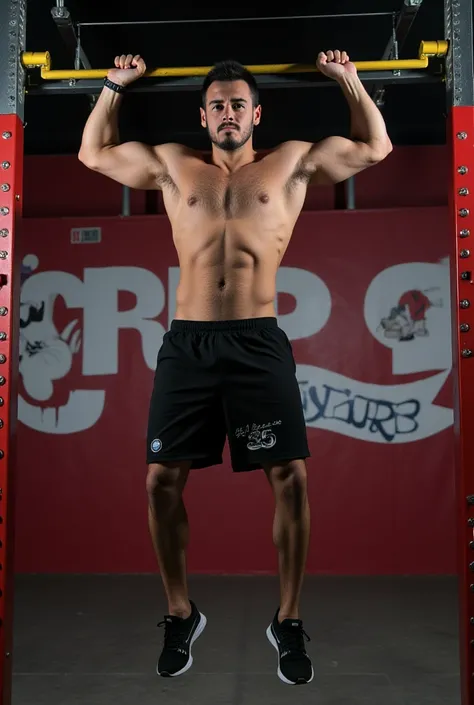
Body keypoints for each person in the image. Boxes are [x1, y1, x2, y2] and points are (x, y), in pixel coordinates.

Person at [78, 49, 392, 686]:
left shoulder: (292, 162)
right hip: (189, 342)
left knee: (293, 479)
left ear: (257, 112)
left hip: (257, 341)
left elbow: (374, 147)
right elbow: (93, 153)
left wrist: (349, 79)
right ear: (204, 114)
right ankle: (179, 613)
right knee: (160, 482)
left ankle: (290, 619)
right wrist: (113, 84)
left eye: (238, 103)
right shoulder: (172, 164)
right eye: (217, 104)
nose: (228, 112)